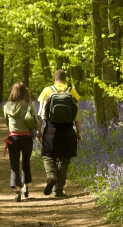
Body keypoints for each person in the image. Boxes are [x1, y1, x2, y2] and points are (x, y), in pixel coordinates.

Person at [36, 69, 82, 197]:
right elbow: (77, 115)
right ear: (65, 79)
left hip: (51, 128)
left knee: (48, 156)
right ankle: (59, 189)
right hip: (68, 129)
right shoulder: (71, 91)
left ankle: (51, 175)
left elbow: (40, 113)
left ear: (53, 79)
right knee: (64, 159)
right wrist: (78, 132)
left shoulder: (47, 90)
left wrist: (38, 130)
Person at [3, 82, 41, 202]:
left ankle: (17, 192)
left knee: (14, 165)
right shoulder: (29, 104)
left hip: (13, 139)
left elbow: (6, 123)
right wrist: (39, 131)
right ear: (25, 92)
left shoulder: (7, 106)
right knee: (25, 163)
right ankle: (26, 187)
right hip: (26, 138)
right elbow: (36, 122)